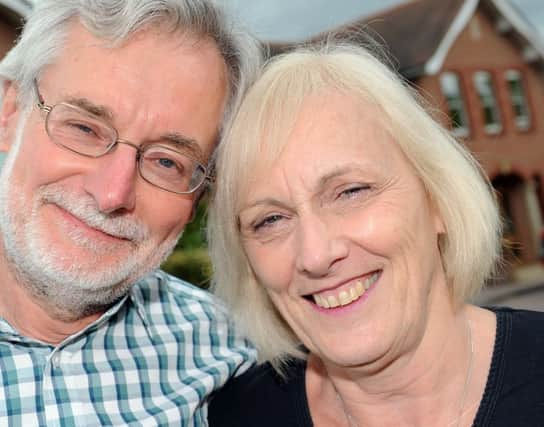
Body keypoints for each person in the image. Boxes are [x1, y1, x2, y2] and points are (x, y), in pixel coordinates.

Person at [0, 0, 262, 425]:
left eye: (167, 162)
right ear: (9, 115)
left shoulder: (222, 348)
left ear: (199, 196)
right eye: (84, 129)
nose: (113, 193)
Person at [207, 40, 544, 426]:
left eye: (351, 192)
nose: (315, 254)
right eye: (270, 220)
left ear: (436, 199)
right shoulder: (235, 417)